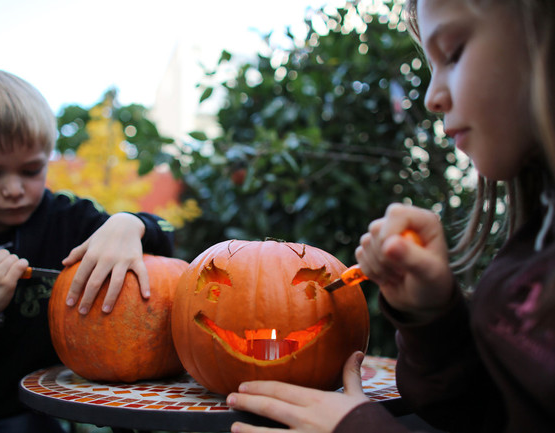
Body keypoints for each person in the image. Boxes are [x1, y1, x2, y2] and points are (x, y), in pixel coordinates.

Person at [225, 0, 555, 432]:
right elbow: (492, 413)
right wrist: (434, 319)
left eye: (453, 52)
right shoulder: (537, 236)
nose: (433, 97)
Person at [0, 67, 175, 432]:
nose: (14, 188)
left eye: (32, 170)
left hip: (30, 411)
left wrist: (131, 224)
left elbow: (168, 240)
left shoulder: (72, 220)